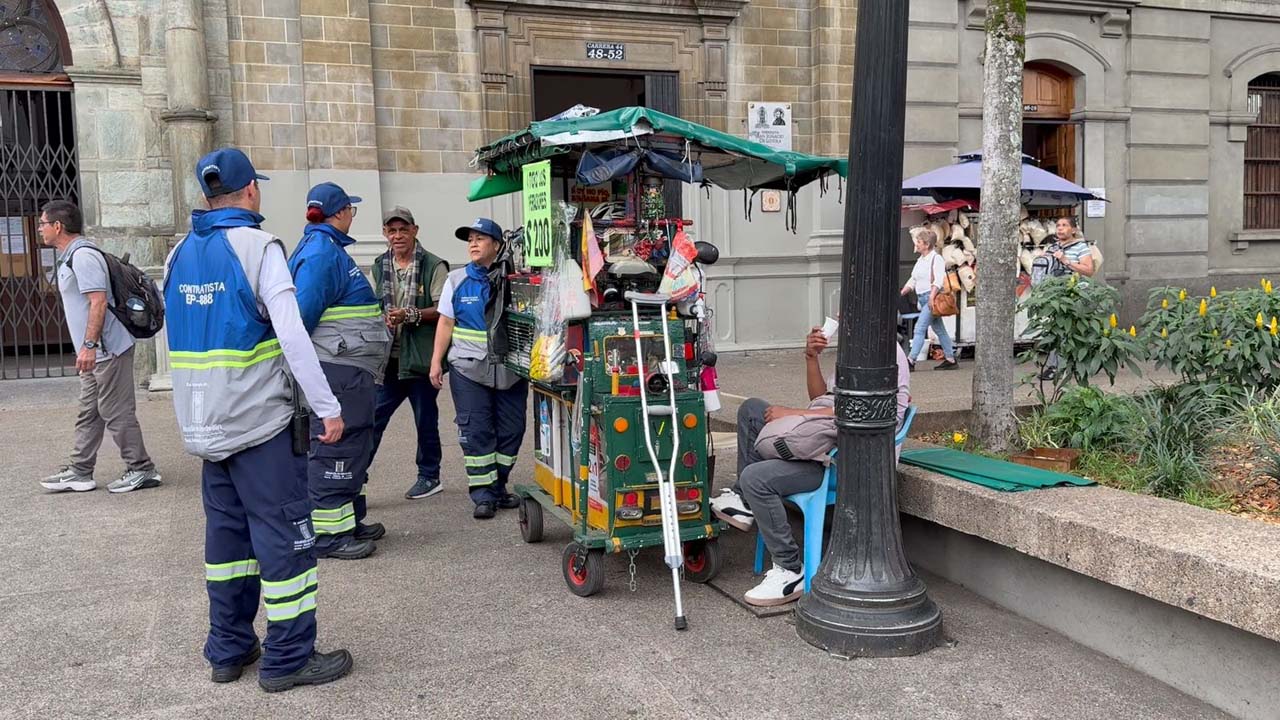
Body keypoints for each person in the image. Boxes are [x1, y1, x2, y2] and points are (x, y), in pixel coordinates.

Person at [165, 147, 352, 691]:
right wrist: (328, 406)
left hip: (205, 426)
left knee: (226, 542)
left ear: (207, 196)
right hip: (259, 425)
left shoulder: (180, 253)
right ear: (250, 192)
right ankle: (289, 658)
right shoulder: (258, 246)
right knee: (284, 537)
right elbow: (293, 336)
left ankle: (229, 648)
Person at [710, 326, 911, 608]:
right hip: (821, 447)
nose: (842, 315)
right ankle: (743, 501)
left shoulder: (886, 356)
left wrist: (794, 414)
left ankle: (790, 569)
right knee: (753, 410)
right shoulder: (856, 349)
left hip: (844, 464)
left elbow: (873, 414)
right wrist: (811, 357)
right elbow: (821, 399)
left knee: (756, 477)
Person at [289, 182, 391, 560]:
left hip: (348, 370)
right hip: (338, 370)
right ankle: (329, 536)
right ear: (341, 212)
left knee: (354, 442)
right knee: (337, 446)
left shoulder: (325, 248)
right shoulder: (320, 254)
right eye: (352, 210)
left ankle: (347, 520)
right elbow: (299, 318)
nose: (353, 216)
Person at [37, 200, 161, 494]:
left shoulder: (83, 256)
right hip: (96, 352)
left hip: (108, 349)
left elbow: (98, 302)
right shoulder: (71, 256)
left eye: (42, 223)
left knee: (116, 411)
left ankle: (142, 469)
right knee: (90, 411)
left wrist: (90, 345)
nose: (40, 229)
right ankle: (80, 470)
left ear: (58, 226)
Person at [429, 218, 527, 520]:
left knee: (512, 429)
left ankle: (499, 486)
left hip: (510, 370)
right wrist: (436, 361)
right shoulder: (457, 280)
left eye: (481, 238)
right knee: (477, 432)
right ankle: (483, 495)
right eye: (470, 238)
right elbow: (446, 321)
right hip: (468, 370)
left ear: (497, 246)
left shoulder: (515, 279)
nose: (473, 243)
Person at [369, 206, 449, 500]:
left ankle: (429, 476)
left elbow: (443, 310)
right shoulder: (379, 266)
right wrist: (385, 317)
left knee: (425, 419)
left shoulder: (434, 264)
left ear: (415, 231)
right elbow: (372, 306)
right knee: (373, 418)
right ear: (385, 234)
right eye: (392, 230)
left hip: (420, 359)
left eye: (404, 229)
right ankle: (357, 476)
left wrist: (411, 314)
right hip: (389, 360)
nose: (398, 235)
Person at [1039, 216, 1095, 381]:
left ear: (1073, 230)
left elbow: (1089, 270)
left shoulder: (1081, 247)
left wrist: (1066, 261)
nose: (1060, 228)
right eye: (1058, 225)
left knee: (1068, 331)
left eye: (1064, 225)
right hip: (1055, 295)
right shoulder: (1052, 246)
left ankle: (1059, 366)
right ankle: (1057, 365)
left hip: (1075, 295)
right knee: (1057, 330)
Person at [900, 227, 958, 371]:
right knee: (940, 330)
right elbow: (913, 279)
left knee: (919, 328)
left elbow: (938, 280)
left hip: (931, 298)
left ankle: (911, 360)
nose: (916, 244)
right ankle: (950, 359)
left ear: (926, 244)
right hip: (924, 299)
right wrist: (903, 291)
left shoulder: (936, 258)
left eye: (919, 242)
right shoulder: (921, 260)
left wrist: (931, 297)